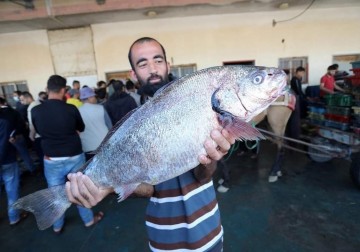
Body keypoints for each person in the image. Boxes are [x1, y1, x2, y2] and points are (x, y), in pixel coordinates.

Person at [65, 37, 235, 251]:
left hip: (208, 232)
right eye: (143, 63)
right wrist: (106, 187)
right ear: (133, 74)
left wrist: (211, 158)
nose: (153, 69)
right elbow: (149, 190)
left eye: (158, 60)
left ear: (168, 65)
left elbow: (203, 176)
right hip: (164, 240)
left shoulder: (198, 105)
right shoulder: (129, 123)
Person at [31, 75, 103, 233]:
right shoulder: (70, 109)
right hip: (74, 156)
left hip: (51, 159)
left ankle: (57, 226)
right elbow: (81, 128)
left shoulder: (36, 110)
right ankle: (88, 220)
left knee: (55, 194)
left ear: (47, 89)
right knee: (80, 189)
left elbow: (37, 131)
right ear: (64, 90)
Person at [0, 97, 28, 225]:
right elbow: (5, 143)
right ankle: (14, 217)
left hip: (5, 160)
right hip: (7, 160)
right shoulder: (3, 122)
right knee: (11, 190)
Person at [78, 87, 112, 161]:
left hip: (88, 147)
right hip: (105, 145)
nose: (95, 98)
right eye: (94, 96)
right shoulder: (100, 108)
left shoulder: (78, 111)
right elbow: (110, 127)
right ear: (89, 98)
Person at [20, 91, 44, 169]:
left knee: (41, 155)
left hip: (38, 136)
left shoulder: (31, 108)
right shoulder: (39, 103)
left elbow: (32, 124)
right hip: (45, 134)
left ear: (28, 97)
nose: (21, 102)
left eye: (22, 100)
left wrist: (31, 135)